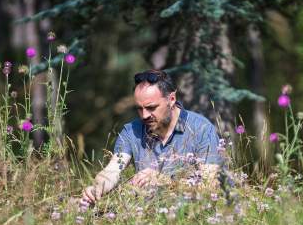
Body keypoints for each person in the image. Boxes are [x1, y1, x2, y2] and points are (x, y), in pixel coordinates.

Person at [81, 69, 222, 205]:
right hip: (147, 218)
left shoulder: (202, 129)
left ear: (171, 99)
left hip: (192, 217)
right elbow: (112, 171)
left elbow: (209, 186)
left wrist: (166, 181)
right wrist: (97, 188)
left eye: (151, 107)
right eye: (139, 108)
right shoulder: (131, 131)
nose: (144, 115)